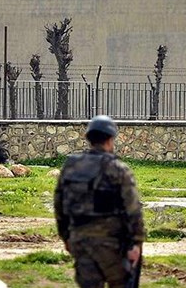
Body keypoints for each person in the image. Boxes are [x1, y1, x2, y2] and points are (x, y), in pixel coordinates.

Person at [54, 115, 146, 288]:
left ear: (89, 139)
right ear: (110, 139)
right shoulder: (118, 169)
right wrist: (135, 243)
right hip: (111, 245)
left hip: (80, 241)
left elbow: (59, 205)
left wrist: (66, 236)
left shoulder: (71, 166)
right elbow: (133, 210)